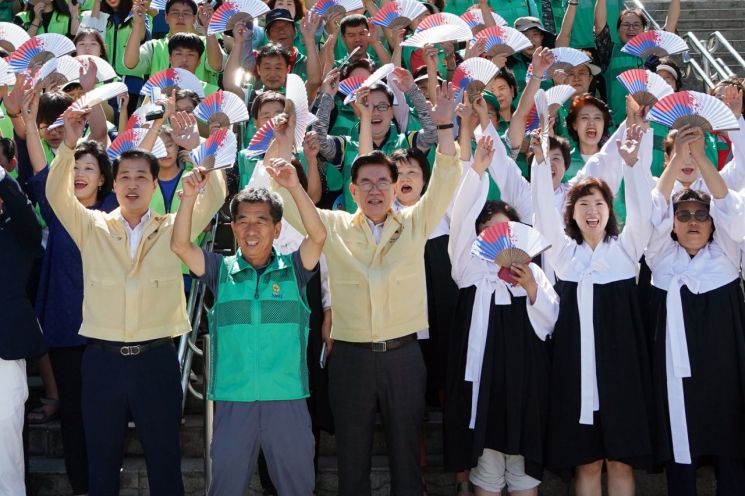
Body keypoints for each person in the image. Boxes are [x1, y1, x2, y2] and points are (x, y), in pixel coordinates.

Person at [272, 81, 461, 495]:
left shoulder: (414, 223)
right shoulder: (336, 226)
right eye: (366, 184)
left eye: (383, 182)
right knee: (351, 466)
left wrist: (445, 123)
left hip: (404, 359)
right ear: (353, 192)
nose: (376, 190)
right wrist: (285, 162)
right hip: (351, 360)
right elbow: (293, 209)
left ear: (396, 189)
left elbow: (446, 179)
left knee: (407, 466)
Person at [45, 106, 226, 494]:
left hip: (156, 360)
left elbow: (214, 197)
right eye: (124, 176)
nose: (132, 184)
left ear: (154, 182)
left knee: (165, 464)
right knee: (102, 466)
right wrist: (68, 147)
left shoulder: (172, 227)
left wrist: (197, 149)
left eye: (141, 176)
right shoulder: (92, 225)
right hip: (101, 362)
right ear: (113, 185)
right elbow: (55, 195)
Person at [171, 156, 325, 495]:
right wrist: (188, 198)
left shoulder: (295, 270)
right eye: (243, 222)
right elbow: (180, 245)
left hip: (287, 401)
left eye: (261, 221)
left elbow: (317, 235)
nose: (252, 229)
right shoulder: (218, 271)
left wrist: (294, 187)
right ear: (233, 228)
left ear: (277, 228)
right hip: (233, 402)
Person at [531, 124, 655, 495]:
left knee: (620, 461)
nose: (591, 211)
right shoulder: (564, 256)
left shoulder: (625, 251)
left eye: (599, 204)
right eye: (583, 204)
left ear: (608, 210)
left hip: (622, 372)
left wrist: (632, 167)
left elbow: (643, 213)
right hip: (575, 370)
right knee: (586, 462)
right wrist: (539, 165)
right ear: (572, 214)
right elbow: (543, 215)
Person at [445, 135, 559, 496]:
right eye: (489, 228)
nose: (498, 235)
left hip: (527, 387)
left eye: (507, 229)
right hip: (485, 385)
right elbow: (460, 219)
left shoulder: (533, 271)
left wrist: (530, 289)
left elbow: (551, 320)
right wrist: (477, 172)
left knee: (525, 476)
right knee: (488, 472)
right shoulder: (469, 269)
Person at [645, 125, 745, 496]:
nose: (692, 222)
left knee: (729, 440)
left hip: (723, 366)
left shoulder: (725, 254)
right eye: (683, 215)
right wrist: (676, 160)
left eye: (700, 216)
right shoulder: (660, 258)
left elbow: (729, 208)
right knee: (679, 439)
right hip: (674, 367)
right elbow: (653, 212)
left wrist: (700, 156)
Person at [0, 162, 46, 496]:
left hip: (5, 355)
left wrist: (2, 177)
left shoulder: (17, 232)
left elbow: (27, 217)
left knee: (7, 452)